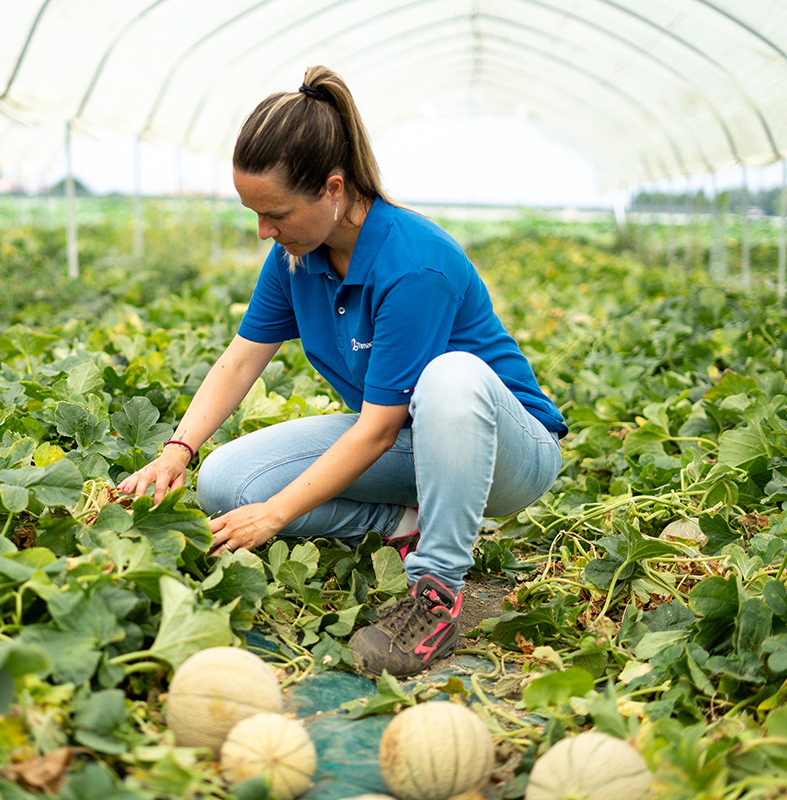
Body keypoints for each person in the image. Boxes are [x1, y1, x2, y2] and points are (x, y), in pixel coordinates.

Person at [119, 66, 566, 678]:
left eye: (276, 213)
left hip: (506, 456)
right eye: (255, 213)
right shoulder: (296, 257)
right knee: (226, 483)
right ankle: (407, 525)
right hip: (411, 445)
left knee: (451, 377)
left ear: (333, 189)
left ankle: (435, 593)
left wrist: (276, 515)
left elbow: (376, 430)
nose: (264, 231)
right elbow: (241, 358)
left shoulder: (415, 264)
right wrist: (178, 451)